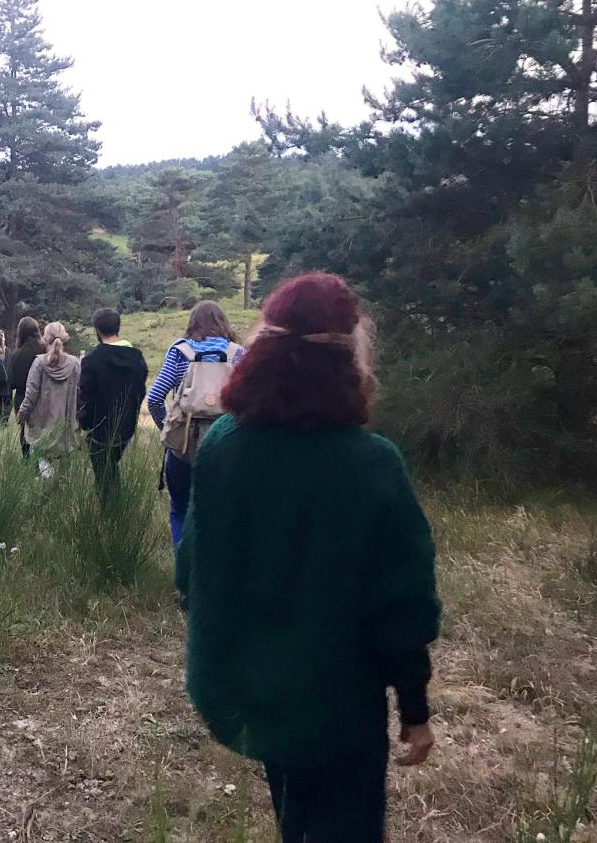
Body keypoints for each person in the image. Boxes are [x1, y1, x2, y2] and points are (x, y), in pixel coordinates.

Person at [176, 273, 441, 843]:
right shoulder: (371, 464)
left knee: (295, 818)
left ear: (265, 350)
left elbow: (190, 569)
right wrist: (413, 707)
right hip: (340, 706)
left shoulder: (223, 444)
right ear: (350, 355)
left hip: (261, 698)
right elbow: (402, 606)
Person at [146, 301, 245, 545]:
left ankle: (184, 574)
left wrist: (168, 429)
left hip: (184, 446)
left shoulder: (180, 351)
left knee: (180, 509)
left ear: (192, 323)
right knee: (220, 512)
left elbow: (156, 396)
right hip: (226, 446)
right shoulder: (239, 354)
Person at [77, 308, 148, 498]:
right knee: (109, 470)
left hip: (99, 430)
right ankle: (112, 510)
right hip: (126, 428)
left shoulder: (91, 361)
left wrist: (84, 423)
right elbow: (141, 392)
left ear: (97, 330)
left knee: (104, 478)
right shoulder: (137, 359)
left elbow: (86, 397)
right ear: (118, 327)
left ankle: (111, 516)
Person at [17, 321, 80, 479]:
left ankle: (45, 491)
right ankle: (62, 495)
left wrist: (22, 414)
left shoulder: (38, 363)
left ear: (45, 338)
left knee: (44, 469)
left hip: (42, 426)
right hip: (66, 426)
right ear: (64, 338)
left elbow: (30, 395)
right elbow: (81, 394)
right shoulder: (75, 364)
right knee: (65, 477)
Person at [8, 317, 46, 457]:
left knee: (25, 432)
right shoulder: (46, 351)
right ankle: (42, 463)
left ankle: (26, 461)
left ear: (21, 333)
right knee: (42, 432)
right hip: (44, 398)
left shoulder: (16, 355)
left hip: (22, 398)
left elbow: (11, 383)